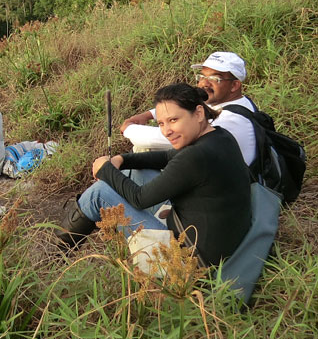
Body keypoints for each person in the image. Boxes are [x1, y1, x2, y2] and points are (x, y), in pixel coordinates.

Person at [57, 83, 252, 267]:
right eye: (161, 123)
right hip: (216, 244)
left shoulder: (195, 156)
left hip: (188, 263)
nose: (167, 131)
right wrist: (121, 160)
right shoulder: (220, 136)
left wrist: (104, 169)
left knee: (98, 194)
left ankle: (56, 258)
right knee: (134, 171)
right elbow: (167, 156)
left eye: (174, 120)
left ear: (199, 113)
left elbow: (140, 199)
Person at [121, 51, 257, 166]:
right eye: (202, 76)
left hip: (227, 193)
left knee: (144, 149)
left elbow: (164, 137)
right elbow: (184, 106)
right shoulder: (233, 102)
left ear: (234, 85)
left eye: (215, 78)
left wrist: (128, 129)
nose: (204, 83)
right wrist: (148, 115)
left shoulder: (231, 120)